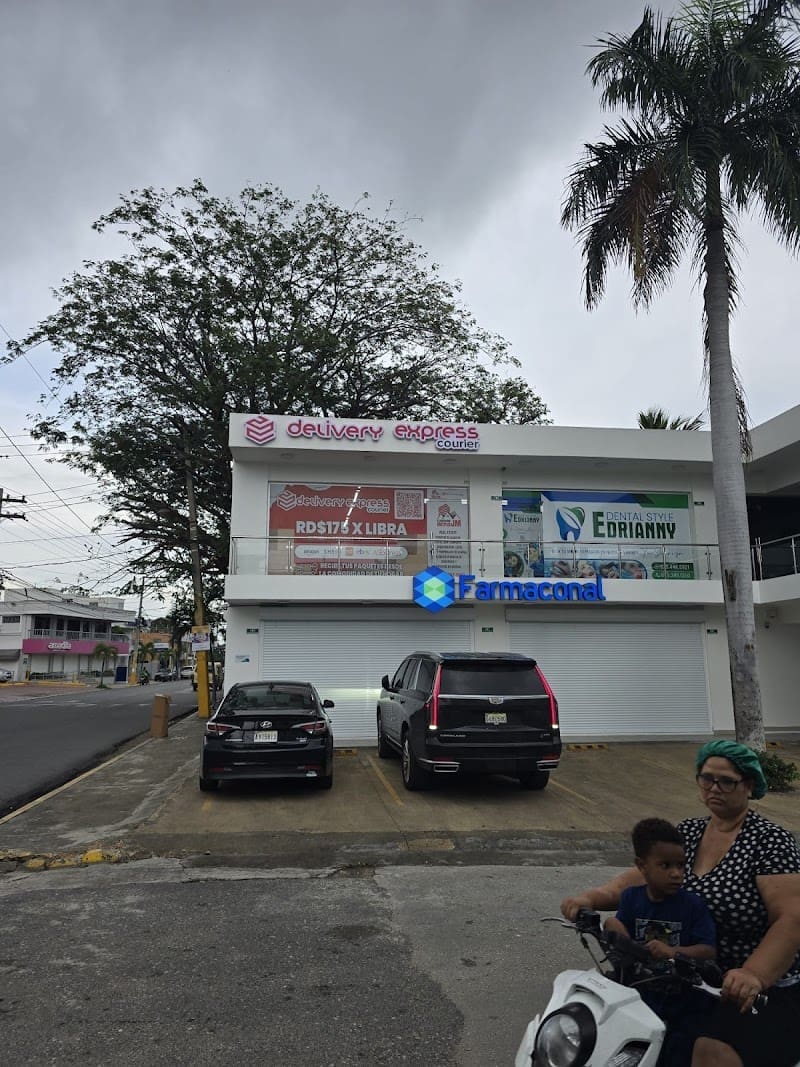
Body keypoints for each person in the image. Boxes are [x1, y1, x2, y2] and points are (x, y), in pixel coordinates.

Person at [562, 740, 800, 1067]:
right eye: (707, 778)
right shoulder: (688, 832)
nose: (714, 787)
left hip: (751, 989)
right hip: (679, 977)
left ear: (748, 785)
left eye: (726, 781)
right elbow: (643, 875)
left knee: (709, 1052)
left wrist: (753, 973)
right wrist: (590, 898)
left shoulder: (769, 841)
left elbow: (791, 917)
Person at [604, 818, 716, 1065]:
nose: (676, 873)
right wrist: (616, 933)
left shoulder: (692, 905)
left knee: (673, 1055)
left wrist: (673, 952)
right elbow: (620, 932)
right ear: (641, 866)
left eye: (681, 865)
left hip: (681, 999)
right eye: (665, 865)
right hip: (638, 994)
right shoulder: (631, 898)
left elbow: (708, 950)